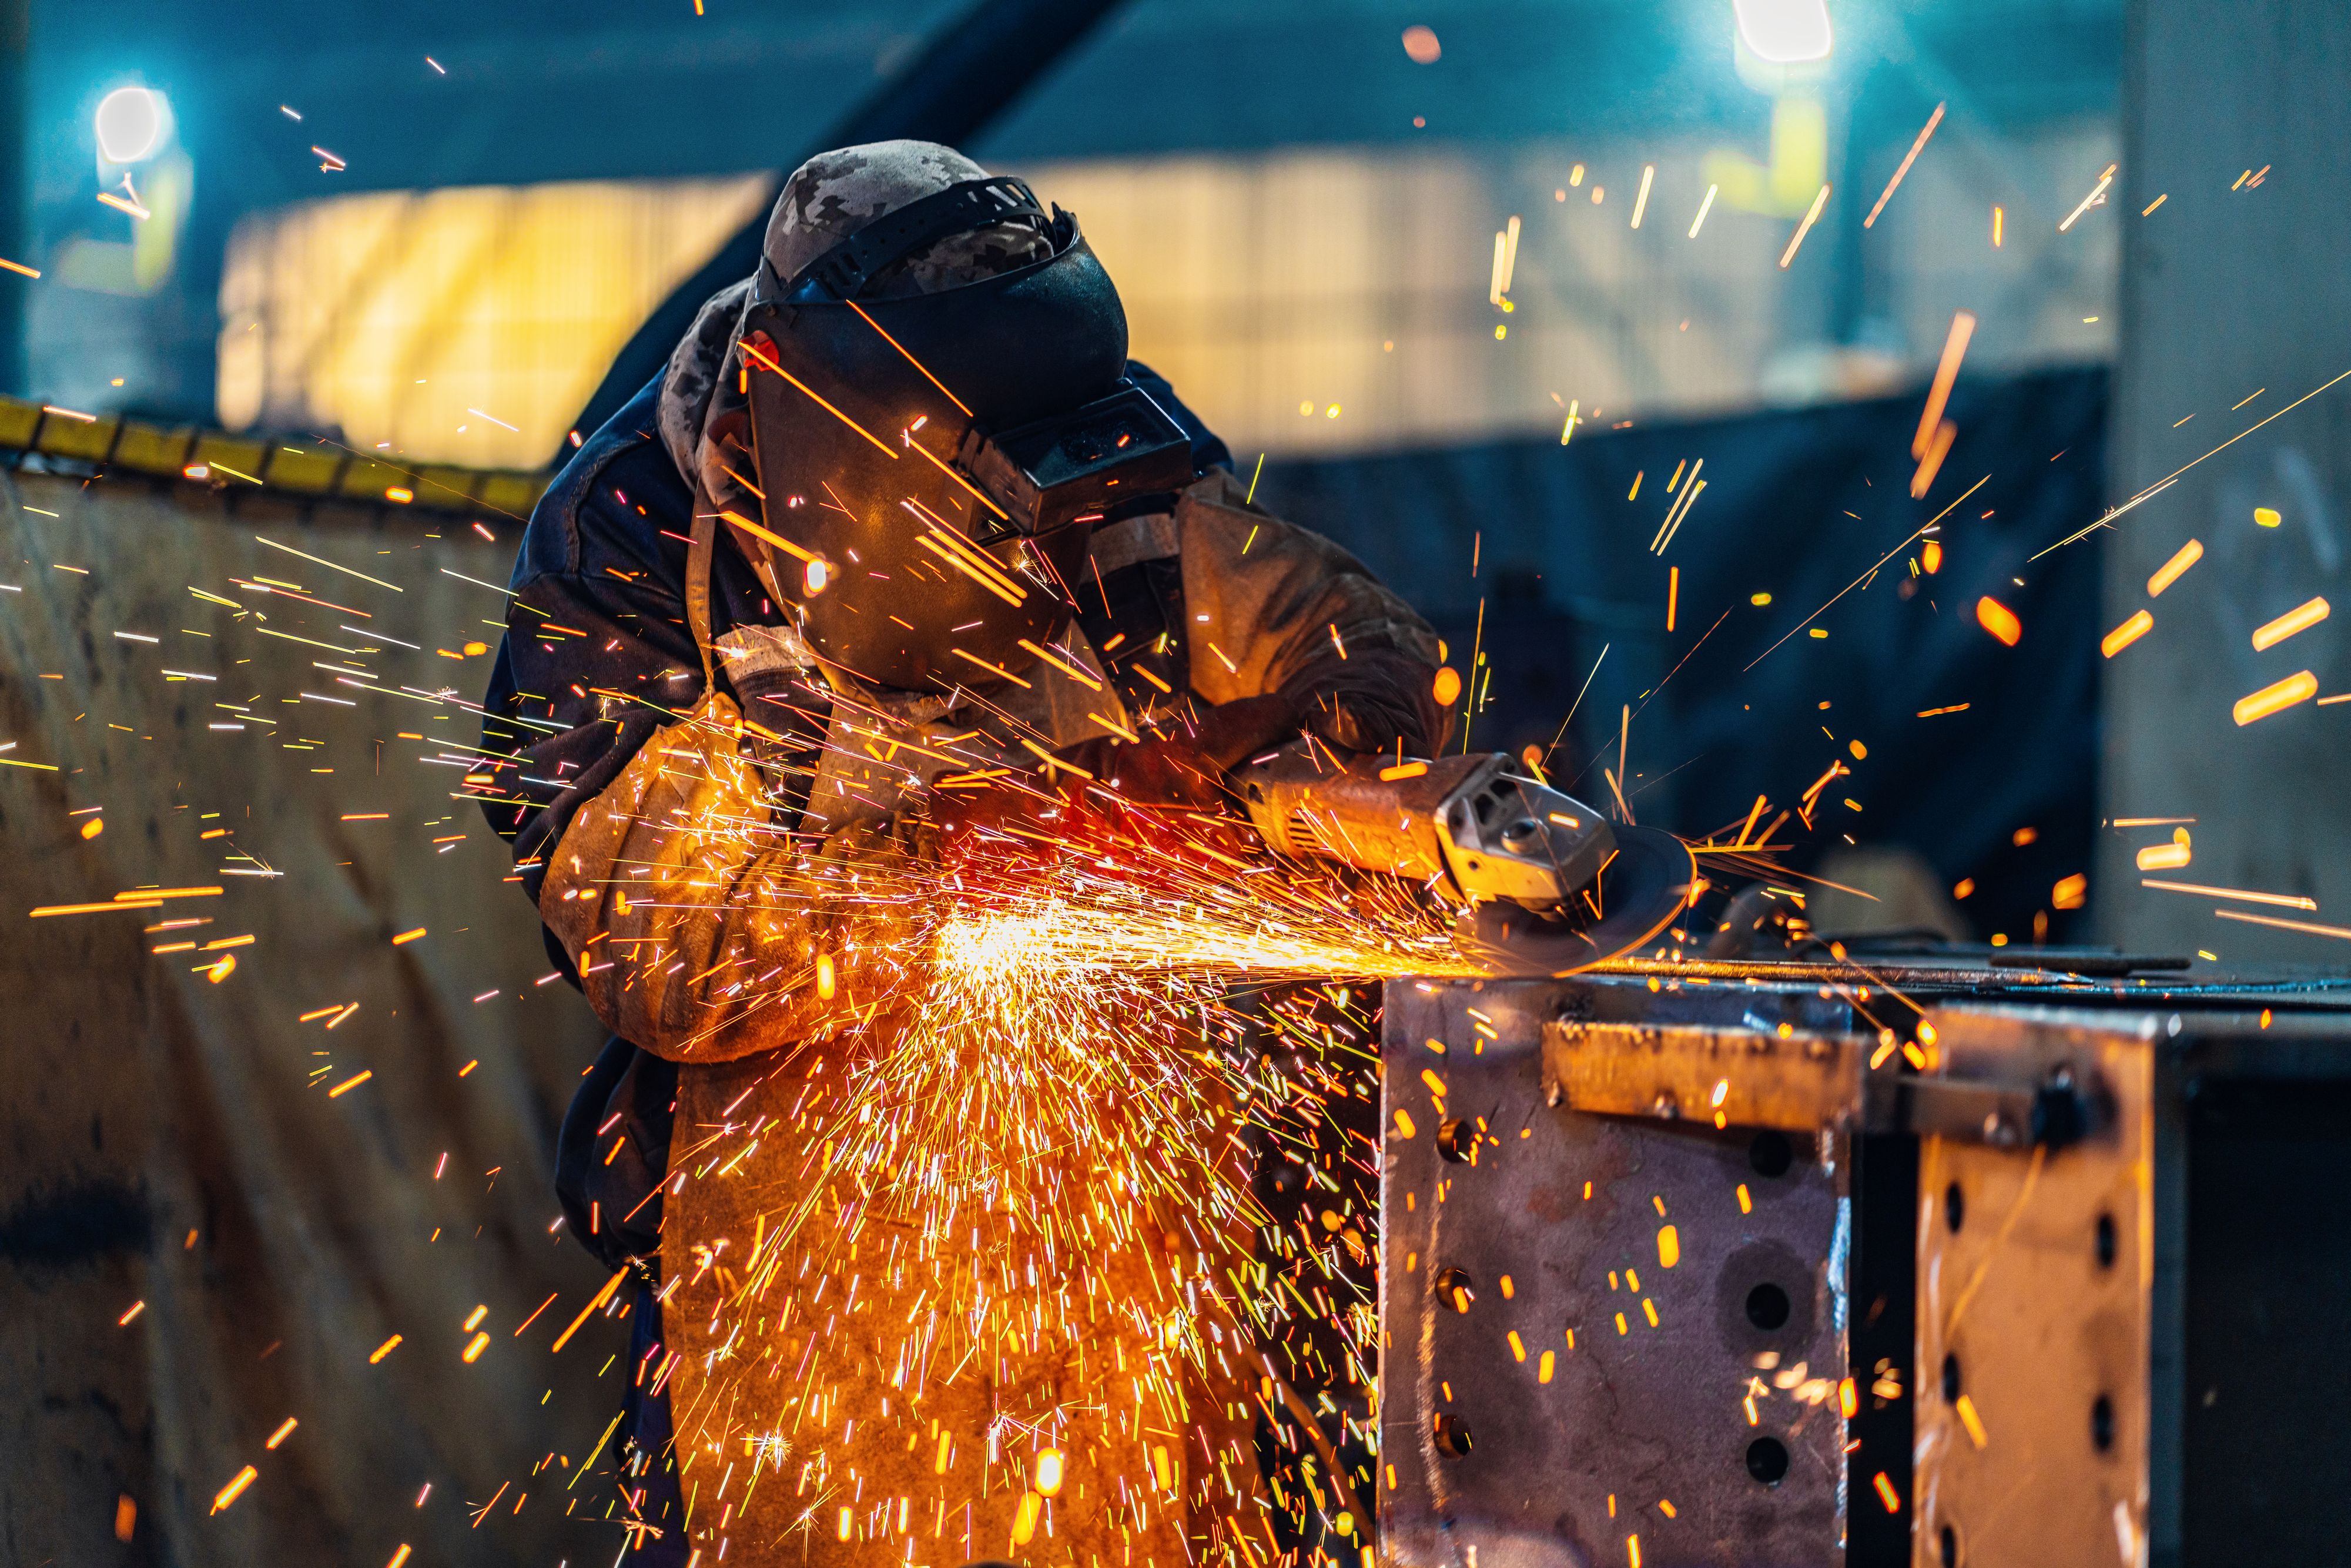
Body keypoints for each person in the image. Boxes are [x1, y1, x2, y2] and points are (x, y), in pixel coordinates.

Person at [480, 140, 1452, 1566]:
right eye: (968, 477)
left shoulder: (1102, 446)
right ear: (823, 426)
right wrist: (977, 858)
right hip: (791, 1246)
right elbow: (666, 943)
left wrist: (1317, 745)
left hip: (1125, 1226)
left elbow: (1338, 635)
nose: (1029, 522)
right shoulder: (632, 547)